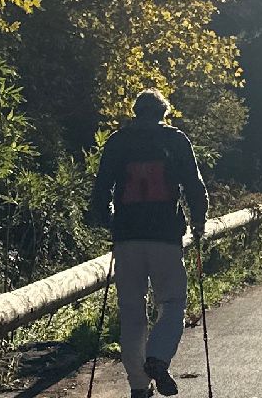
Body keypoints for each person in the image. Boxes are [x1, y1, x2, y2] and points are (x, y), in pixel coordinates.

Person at [88, 90, 209, 398]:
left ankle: (138, 387)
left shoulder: (118, 141)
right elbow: (194, 185)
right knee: (171, 303)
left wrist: (110, 221)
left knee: (131, 310)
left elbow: (101, 187)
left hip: (127, 237)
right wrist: (198, 221)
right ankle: (157, 358)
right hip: (166, 236)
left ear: (135, 111)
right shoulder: (175, 139)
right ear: (163, 113)